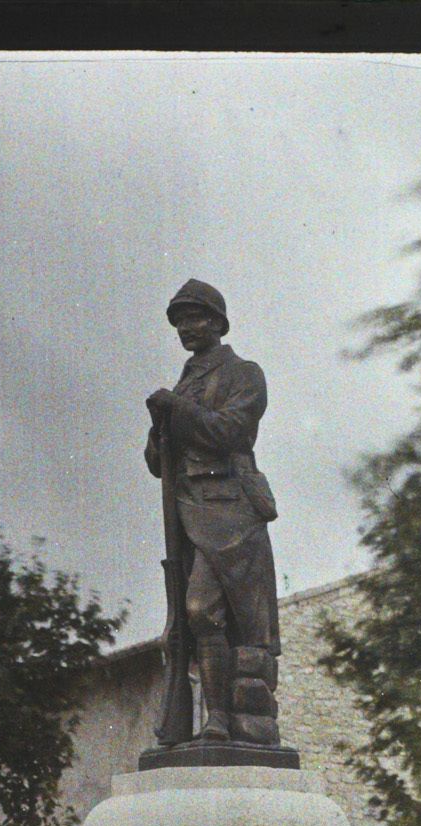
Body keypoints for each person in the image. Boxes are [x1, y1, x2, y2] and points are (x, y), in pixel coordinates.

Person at [145, 279, 282, 747]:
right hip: (189, 513)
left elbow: (231, 432)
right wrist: (158, 427)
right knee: (196, 618)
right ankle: (214, 718)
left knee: (204, 609)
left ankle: (225, 717)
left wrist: (177, 409)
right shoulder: (185, 384)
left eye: (196, 318)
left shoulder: (244, 374)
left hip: (230, 512)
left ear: (218, 323)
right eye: (180, 321)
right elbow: (157, 464)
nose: (186, 328)